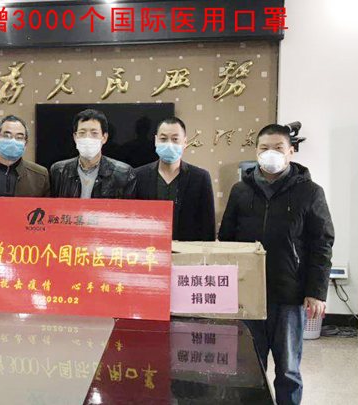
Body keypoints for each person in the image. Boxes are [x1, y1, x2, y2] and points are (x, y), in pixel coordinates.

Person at [219, 124, 334, 405]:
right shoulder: (240, 191)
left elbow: (322, 243)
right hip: (248, 298)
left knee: (288, 371)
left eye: (278, 148)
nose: (271, 153)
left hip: (289, 297)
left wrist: (316, 291)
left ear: (291, 151)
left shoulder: (310, 192)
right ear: (256, 151)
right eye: (264, 148)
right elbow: (226, 240)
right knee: (248, 369)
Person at [134, 117, 216, 241]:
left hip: (187, 250)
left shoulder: (200, 178)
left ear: (185, 142)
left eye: (175, 139)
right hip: (149, 248)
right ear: (156, 141)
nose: (169, 144)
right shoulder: (138, 176)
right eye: (163, 139)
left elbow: (208, 226)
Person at [50, 109, 136, 198]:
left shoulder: (123, 173)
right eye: (82, 133)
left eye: (94, 133)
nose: (88, 138)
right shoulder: (59, 171)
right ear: (75, 137)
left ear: (104, 137)